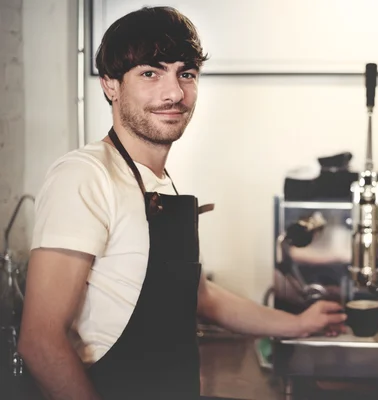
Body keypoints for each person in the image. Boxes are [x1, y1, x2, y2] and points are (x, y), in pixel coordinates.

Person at [17, 6, 346, 400]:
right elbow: (40, 342)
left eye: (185, 73)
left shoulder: (161, 183)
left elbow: (200, 296)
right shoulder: (84, 176)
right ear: (110, 85)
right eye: (150, 73)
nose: (174, 93)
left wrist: (296, 324)